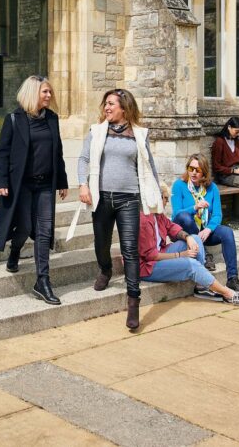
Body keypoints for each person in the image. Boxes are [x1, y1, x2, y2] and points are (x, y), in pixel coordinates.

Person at [77, 88, 163, 330]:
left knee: (130, 249)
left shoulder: (139, 134)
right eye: (105, 103)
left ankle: (133, 301)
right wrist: (83, 184)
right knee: (101, 244)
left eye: (111, 104)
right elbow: (83, 159)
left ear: (124, 108)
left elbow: (149, 167)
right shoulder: (96, 131)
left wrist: (157, 198)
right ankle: (105, 269)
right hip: (102, 198)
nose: (106, 107)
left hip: (129, 199)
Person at [0, 75, 68, 305]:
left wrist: (62, 181)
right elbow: (2, 153)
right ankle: (15, 251)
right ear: (32, 93)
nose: (49, 95)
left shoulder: (52, 119)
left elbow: (58, 152)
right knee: (25, 226)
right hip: (22, 185)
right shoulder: (14, 119)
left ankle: (42, 281)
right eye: (44, 92)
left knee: (45, 231)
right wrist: (1, 181)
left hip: (45, 184)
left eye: (49, 92)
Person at [140, 184, 239, 307]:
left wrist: (188, 237)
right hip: (147, 267)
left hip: (160, 253)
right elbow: (151, 256)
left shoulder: (158, 215)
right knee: (191, 264)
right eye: (165, 198)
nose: (166, 202)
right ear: (156, 198)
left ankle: (202, 287)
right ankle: (228, 294)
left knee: (196, 238)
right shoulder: (144, 220)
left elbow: (172, 227)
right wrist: (181, 255)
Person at [171, 153, 239, 295]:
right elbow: (177, 214)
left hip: (203, 232)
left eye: (198, 170)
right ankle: (204, 254)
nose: (193, 173)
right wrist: (195, 208)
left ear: (204, 172)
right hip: (184, 233)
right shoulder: (179, 185)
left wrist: (208, 229)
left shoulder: (212, 188)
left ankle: (232, 278)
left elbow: (218, 214)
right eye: (191, 168)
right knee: (186, 217)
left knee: (227, 232)